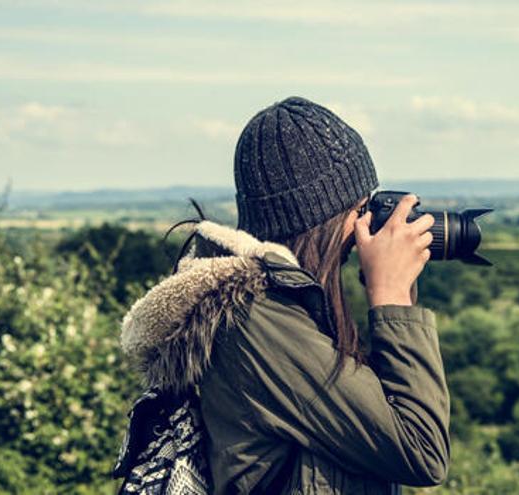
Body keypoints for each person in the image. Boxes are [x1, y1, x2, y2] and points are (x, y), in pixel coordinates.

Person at [120, 96, 451, 494]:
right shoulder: (256, 320)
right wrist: (391, 294)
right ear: (319, 218)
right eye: (360, 207)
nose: (367, 224)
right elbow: (421, 449)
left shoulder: (285, 310)